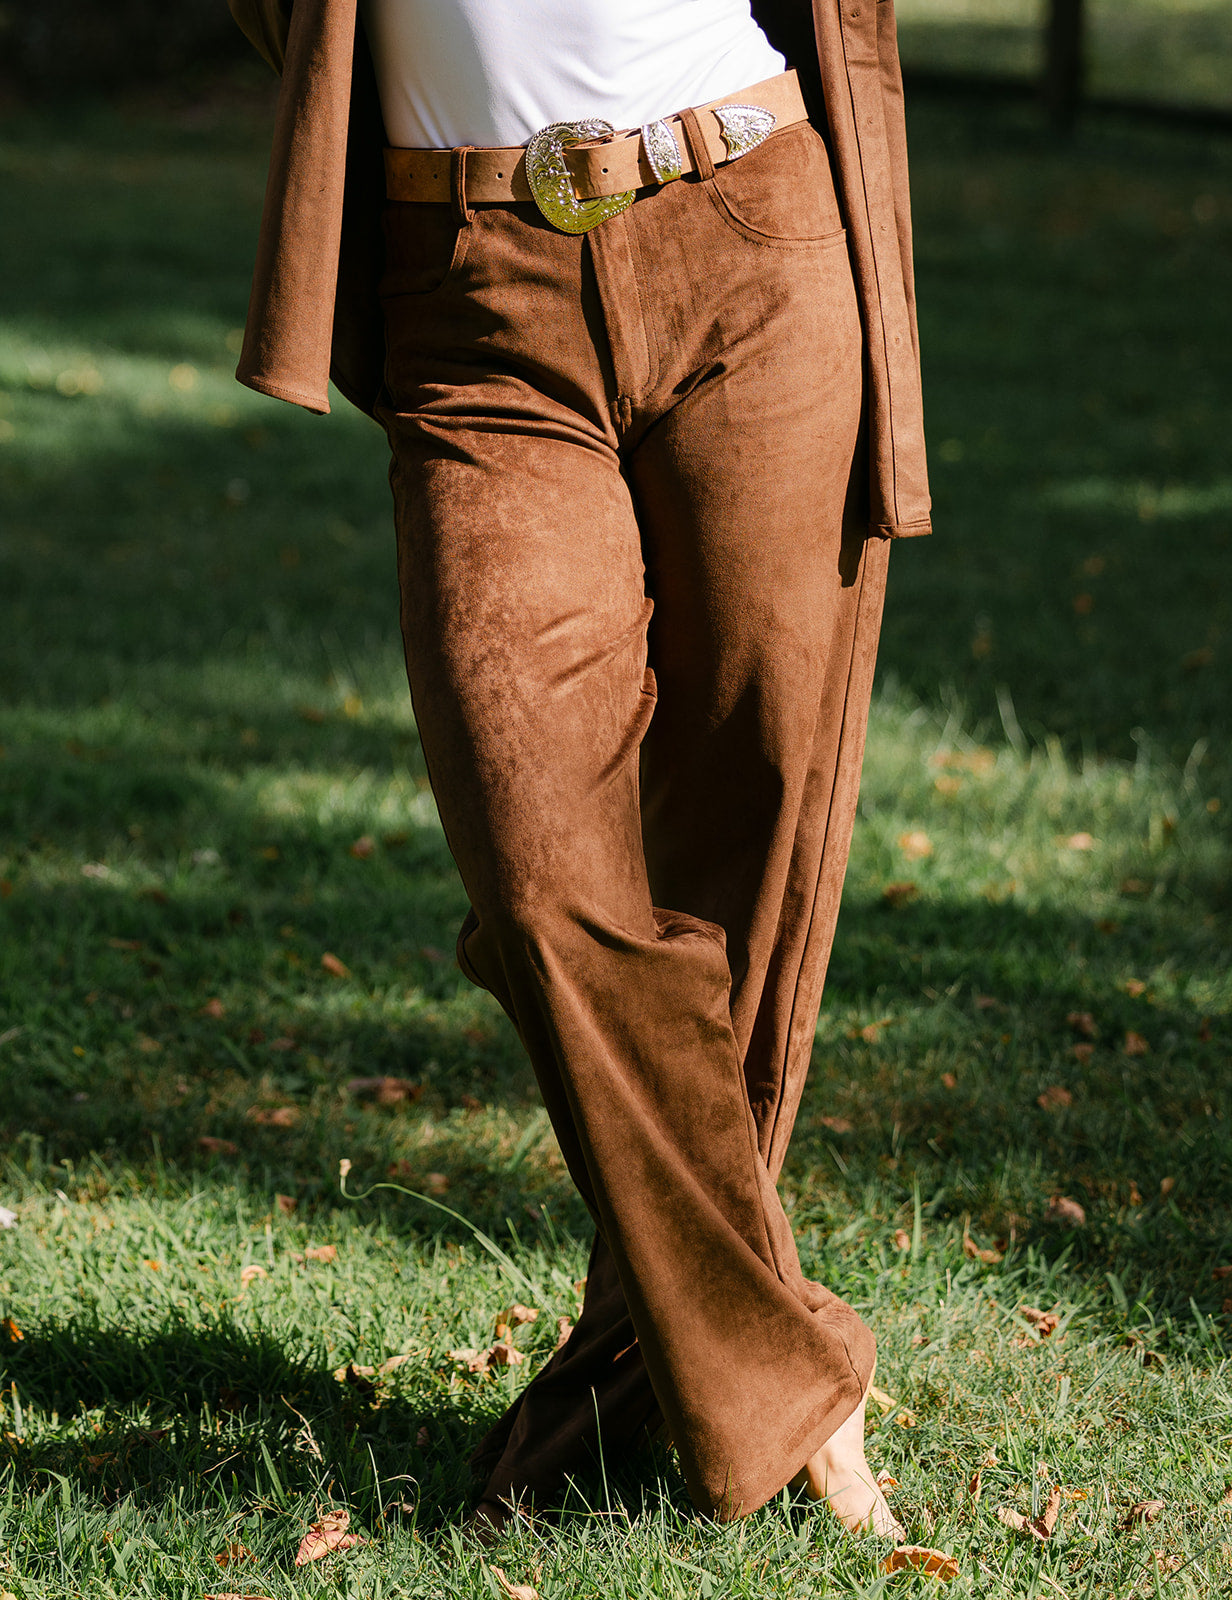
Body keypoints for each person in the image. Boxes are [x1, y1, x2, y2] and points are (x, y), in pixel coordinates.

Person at [227, 0, 929, 1540]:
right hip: (473, 291)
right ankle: (790, 1370)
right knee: (545, 885)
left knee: (751, 852)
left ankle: (638, 1390)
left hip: (754, 219)